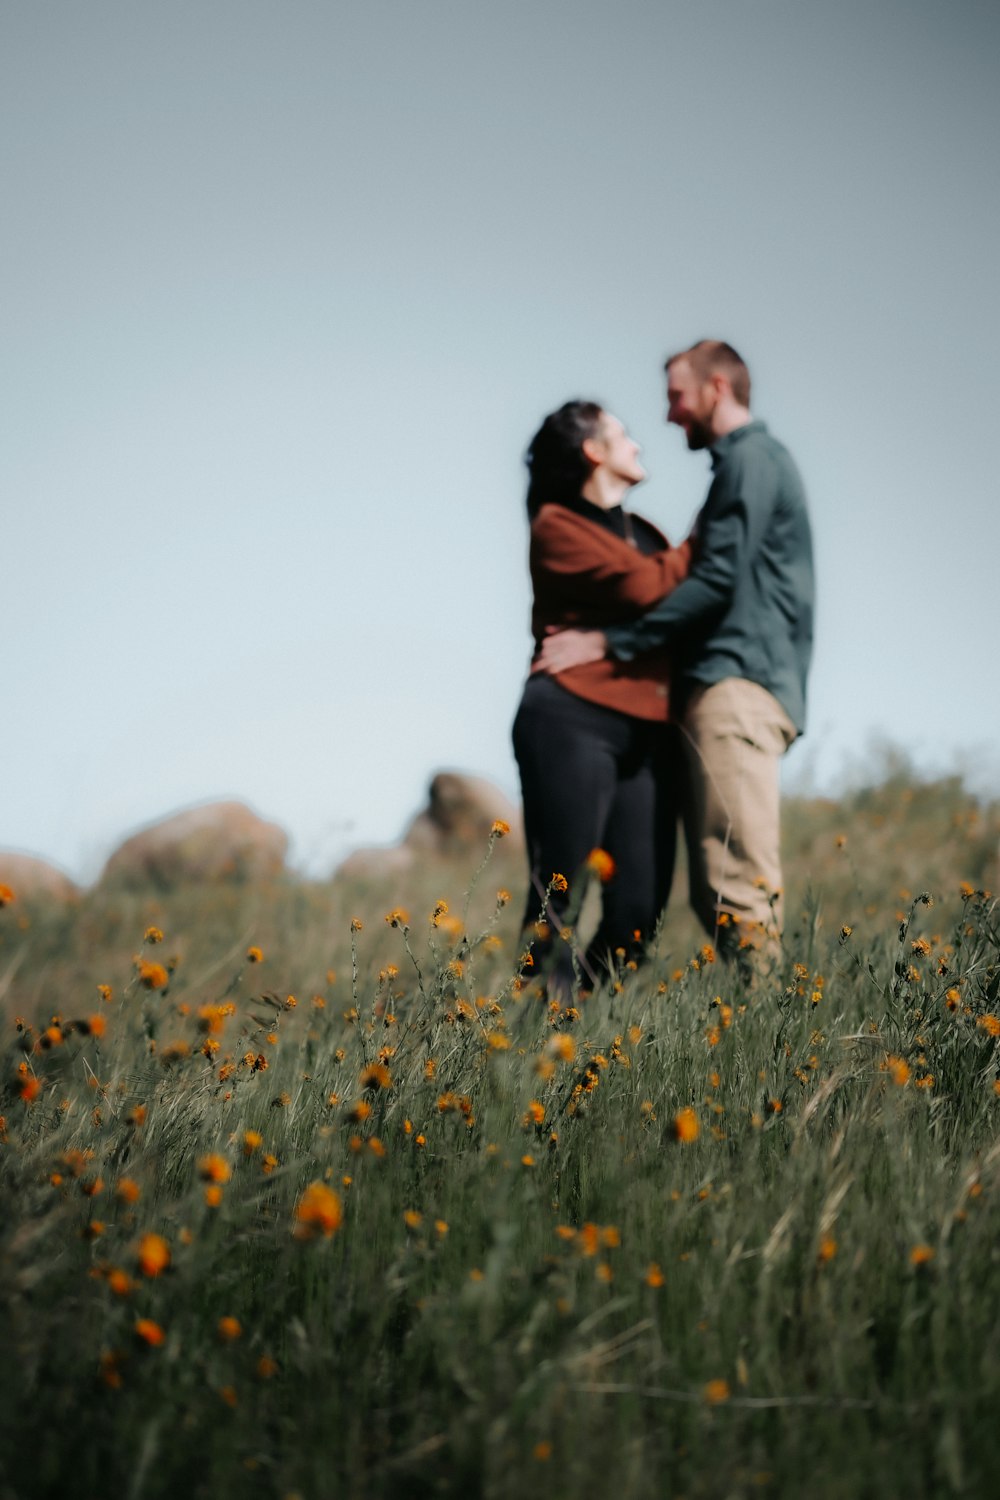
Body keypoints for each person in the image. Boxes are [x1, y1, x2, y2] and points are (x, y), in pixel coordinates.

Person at [534, 344, 814, 959]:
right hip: (699, 691)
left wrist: (611, 641)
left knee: (732, 890)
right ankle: (555, 1028)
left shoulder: (750, 463)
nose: (667, 416)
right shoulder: (737, 469)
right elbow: (692, 572)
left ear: (716, 388)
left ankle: (763, 1037)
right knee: (712, 890)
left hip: (734, 684)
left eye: (675, 397)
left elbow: (712, 578)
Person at [512, 400, 693, 995]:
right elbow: (648, 586)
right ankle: (529, 1044)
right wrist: (721, 527)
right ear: (594, 450)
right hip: (571, 717)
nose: (636, 444)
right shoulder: (557, 525)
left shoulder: (647, 535)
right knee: (558, 894)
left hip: (647, 731)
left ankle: (581, 1035)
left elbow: (679, 603)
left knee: (639, 912)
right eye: (622, 434)